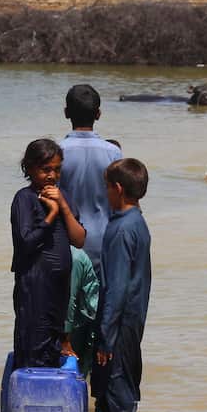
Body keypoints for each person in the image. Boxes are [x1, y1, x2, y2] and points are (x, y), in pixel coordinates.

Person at [11, 139, 86, 370]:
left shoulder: (63, 197)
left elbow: (79, 239)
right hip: (34, 286)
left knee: (53, 344)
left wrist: (62, 206)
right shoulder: (24, 199)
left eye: (57, 169)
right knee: (34, 344)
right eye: (46, 170)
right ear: (29, 168)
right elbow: (25, 243)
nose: (52, 175)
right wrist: (50, 215)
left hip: (59, 288)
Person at [95, 158, 152, 412]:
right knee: (115, 389)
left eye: (107, 187)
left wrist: (105, 336)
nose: (105, 193)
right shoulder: (136, 222)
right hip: (132, 318)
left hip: (119, 322)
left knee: (118, 391)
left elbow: (115, 288)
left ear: (118, 188)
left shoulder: (121, 230)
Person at [59, 84, 122, 272]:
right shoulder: (113, 153)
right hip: (105, 245)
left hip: (66, 244)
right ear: (98, 114)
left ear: (66, 113)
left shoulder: (55, 153)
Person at [63, 245, 100, 380]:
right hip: (75, 321)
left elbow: (69, 299)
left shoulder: (75, 257)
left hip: (85, 322)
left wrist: (65, 340)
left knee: (80, 375)